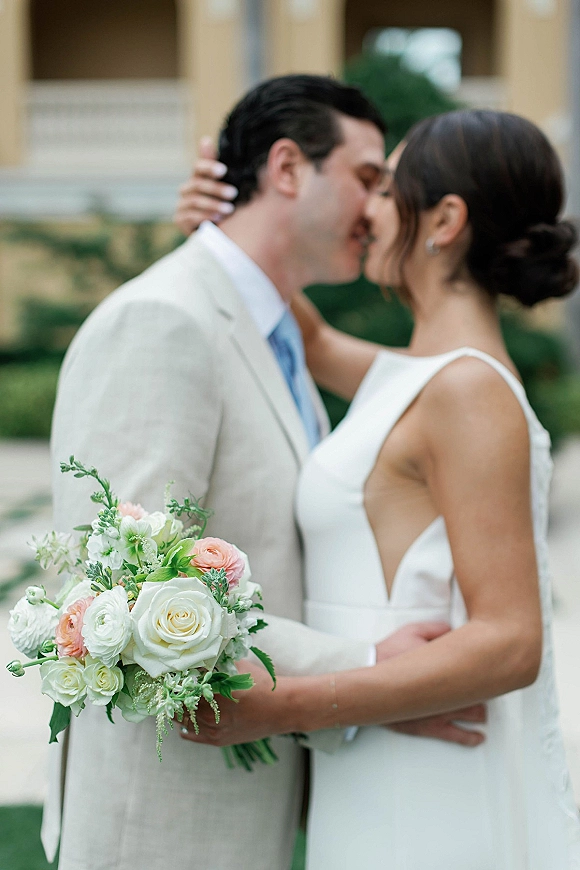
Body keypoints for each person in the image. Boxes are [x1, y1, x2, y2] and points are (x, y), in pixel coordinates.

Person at [44, 76, 482, 870]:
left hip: (253, 797)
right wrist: (367, 668)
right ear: (287, 168)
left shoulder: (272, 330)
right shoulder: (164, 321)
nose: (380, 207)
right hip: (163, 820)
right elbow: (125, 591)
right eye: (366, 177)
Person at [178, 110, 580, 868]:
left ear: (446, 220)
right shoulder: (418, 375)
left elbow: (512, 640)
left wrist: (275, 708)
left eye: (388, 190)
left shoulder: (468, 393)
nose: (367, 209)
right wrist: (225, 222)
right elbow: (313, 338)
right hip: (371, 758)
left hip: (427, 782)